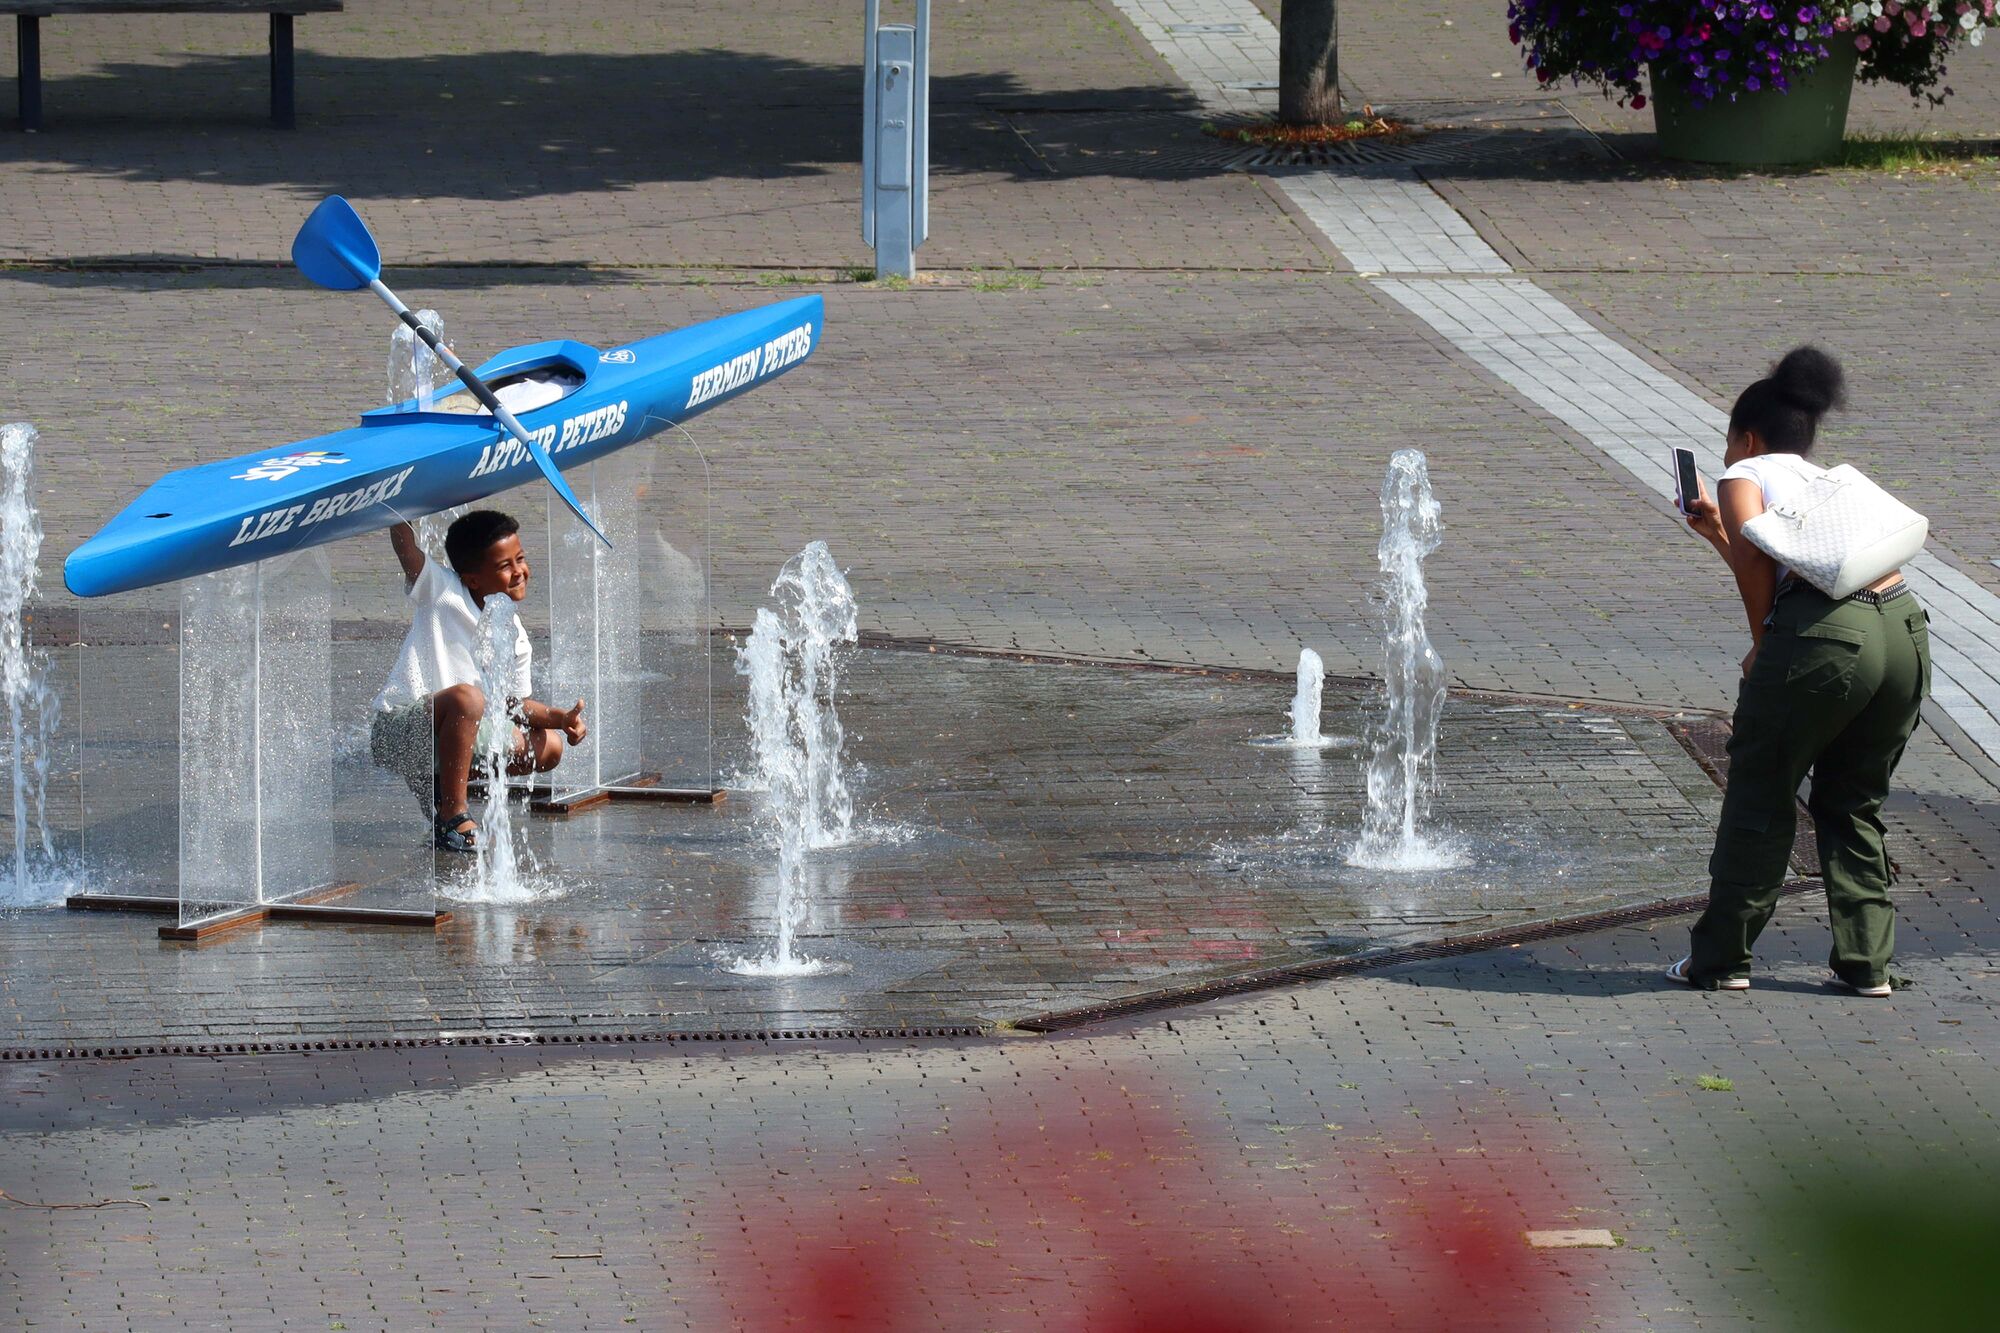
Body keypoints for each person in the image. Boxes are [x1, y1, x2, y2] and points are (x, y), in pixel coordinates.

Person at [1671, 346, 1928, 996]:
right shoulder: (1826, 483)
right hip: (1903, 628)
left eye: (1730, 445)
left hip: (1825, 637)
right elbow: (1784, 561)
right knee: (1852, 800)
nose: (1729, 459)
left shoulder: (1743, 475)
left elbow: (1767, 582)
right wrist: (1720, 538)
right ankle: (1869, 964)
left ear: (1746, 438)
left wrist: (1764, 651)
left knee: (1761, 793)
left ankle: (1720, 959)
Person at [369, 510, 587, 852]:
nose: (519, 572)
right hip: (400, 731)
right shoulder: (442, 592)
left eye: (521, 559)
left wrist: (561, 719)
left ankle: (441, 786)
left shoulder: (514, 635)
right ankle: (453, 813)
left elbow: (512, 705)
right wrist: (401, 505)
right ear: (472, 579)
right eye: (505, 566)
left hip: (451, 733)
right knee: (468, 699)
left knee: (549, 747)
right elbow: (407, 551)